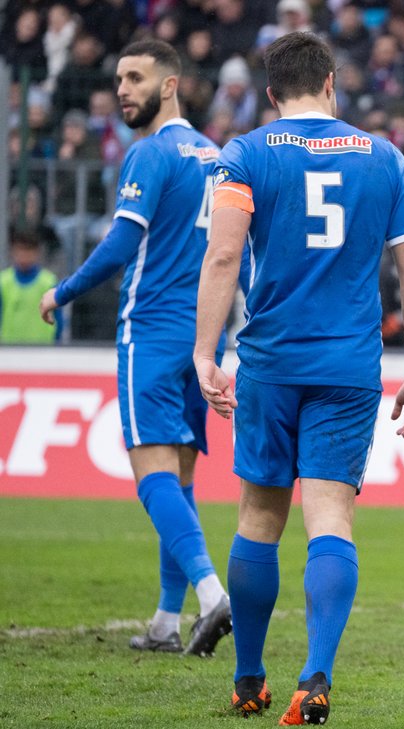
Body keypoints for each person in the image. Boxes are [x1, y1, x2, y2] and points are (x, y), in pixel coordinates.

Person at [193, 31, 404, 727]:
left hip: (270, 361)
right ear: (332, 82)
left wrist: (205, 354)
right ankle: (316, 675)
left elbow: (222, 257)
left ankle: (247, 679)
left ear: (271, 93)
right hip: (348, 367)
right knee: (331, 517)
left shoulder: (244, 153)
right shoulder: (382, 157)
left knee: (259, 517)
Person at [38, 39, 234, 657]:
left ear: (170, 85)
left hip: (150, 330)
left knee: (151, 474)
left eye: (135, 77)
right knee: (178, 476)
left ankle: (211, 594)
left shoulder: (151, 154)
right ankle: (165, 621)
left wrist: (62, 292)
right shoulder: (218, 156)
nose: (121, 88)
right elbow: (237, 254)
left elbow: (123, 244)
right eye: (119, 78)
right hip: (201, 337)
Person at [2, 229, 59, 343]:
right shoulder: (3, 282)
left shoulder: (49, 282)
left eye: (28, 252)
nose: (24, 257)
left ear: (37, 253)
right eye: (20, 252)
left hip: (42, 349)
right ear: (12, 252)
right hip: (8, 349)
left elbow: (59, 318)